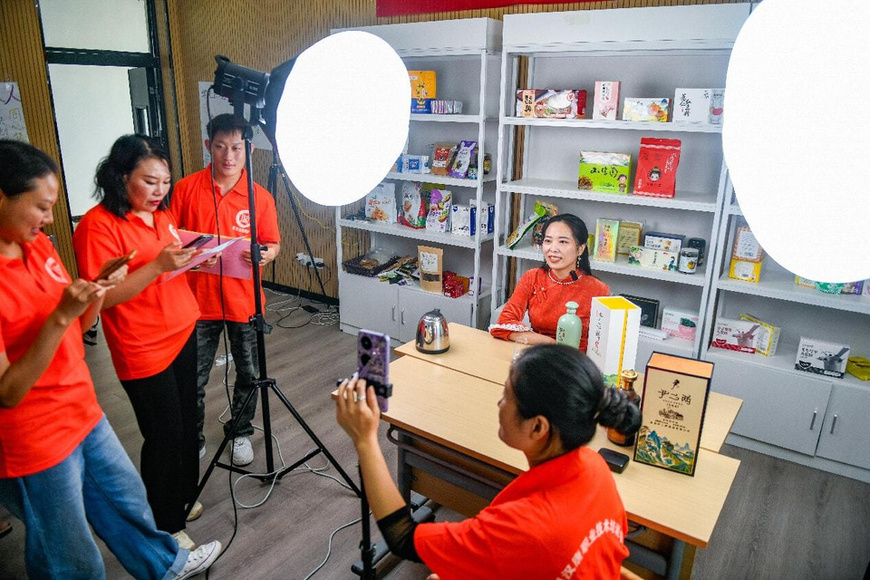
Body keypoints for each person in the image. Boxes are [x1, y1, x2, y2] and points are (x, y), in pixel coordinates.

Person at [0, 139, 220, 578]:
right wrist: (68, 313)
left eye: (164, 182)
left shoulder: (38, 246)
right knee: (68, 550)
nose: (48, 219)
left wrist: (91, 296)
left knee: (126, 500)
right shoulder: (95, 227)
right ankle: (165, 543)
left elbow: (80, 324)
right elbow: (9, 390)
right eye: (41, 207)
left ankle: (164, 563)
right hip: (34, 433)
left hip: (82, 406)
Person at [335, 343, 641, 579]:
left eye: (507, 396)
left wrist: (365, 440)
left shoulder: (526, 529)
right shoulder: (594, 466)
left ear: (537, 427)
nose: (499, 403)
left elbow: (403, 538)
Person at [73, 134, 205, 550]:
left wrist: (197, 256)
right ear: (121, 176)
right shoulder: (97, 226)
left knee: (187, 424)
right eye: (149, 182)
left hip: (183, 328)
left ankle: (180, 498)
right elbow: (103, 298)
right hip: (142, 344)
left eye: (165, 182)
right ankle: (165, 523)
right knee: (163, 435)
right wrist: (159, 265)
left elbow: (169, 265)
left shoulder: (161, 214)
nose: (159, 191)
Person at [170, 113, 281, 466]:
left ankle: (241, 432)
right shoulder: (186, 189)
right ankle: (192, 437)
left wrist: (264, 255)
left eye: (236, 148)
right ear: (209, 146)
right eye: (220, 147)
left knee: (249, 373)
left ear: (247, 149)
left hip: (243, 303)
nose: (228, 156)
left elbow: (273, 244)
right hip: (195, 303)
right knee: (193, 378)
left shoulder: (259, 197)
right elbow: (168, 239)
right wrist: (185, 255)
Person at [490, 214, 609, 352]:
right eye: (548, 241)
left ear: (580, 249)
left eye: (563, 242)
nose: (553, 249)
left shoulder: (599, 290)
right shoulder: (532, 277)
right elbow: (503, 324)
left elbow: (602, 347)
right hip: (538, 356)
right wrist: (551, 343)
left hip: (576, 364)